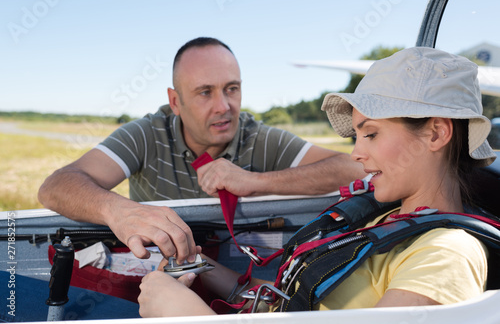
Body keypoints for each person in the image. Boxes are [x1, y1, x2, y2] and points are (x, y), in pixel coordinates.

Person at [137, 46, 497, 317]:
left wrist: (187, 315)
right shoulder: (385, 221)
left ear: (435, 133)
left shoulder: (446, 255)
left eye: (370, 134)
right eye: (356, 137)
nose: (356, 154)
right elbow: (300, 298)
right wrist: (205, 270)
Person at [38, 37, 365, 263]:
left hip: (236, 272)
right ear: (175, 101)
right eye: (205, 92)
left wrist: (257, 182)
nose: (224, 107)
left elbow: (356, 167)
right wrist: (119, 211)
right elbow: (55, 186)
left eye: (231, 89)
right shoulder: (147, 134)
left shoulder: (258, 136)